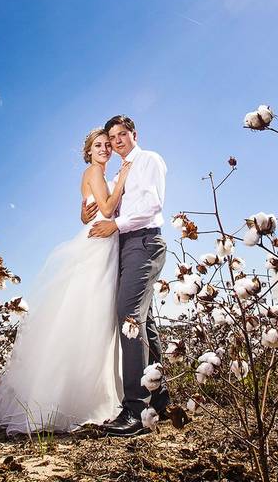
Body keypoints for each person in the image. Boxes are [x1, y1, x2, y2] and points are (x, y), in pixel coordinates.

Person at [0, 128, 131, 435]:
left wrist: (91, 209)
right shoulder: (95, 171)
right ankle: (78, 401)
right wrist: (124, 179)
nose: (104, 149)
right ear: (88, 152)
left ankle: (84, 395)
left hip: (101, 243)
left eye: (106, 145)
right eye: (97, 145)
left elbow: (86, 214)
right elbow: (105, 209)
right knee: (93, 317)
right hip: (100, 248)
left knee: (88, 318)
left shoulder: (92, 174)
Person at [84, 115, 169, 437]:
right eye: (112, 136)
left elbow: (151, 204)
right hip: (124, 245)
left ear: (134, 134)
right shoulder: (119, 170)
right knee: (143, 322)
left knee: (129, 318)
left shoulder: (148, 160)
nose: (117, 140)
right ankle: (157, 402)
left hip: (144, 241)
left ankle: (135, 409)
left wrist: (116, 225)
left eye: (122, 134)